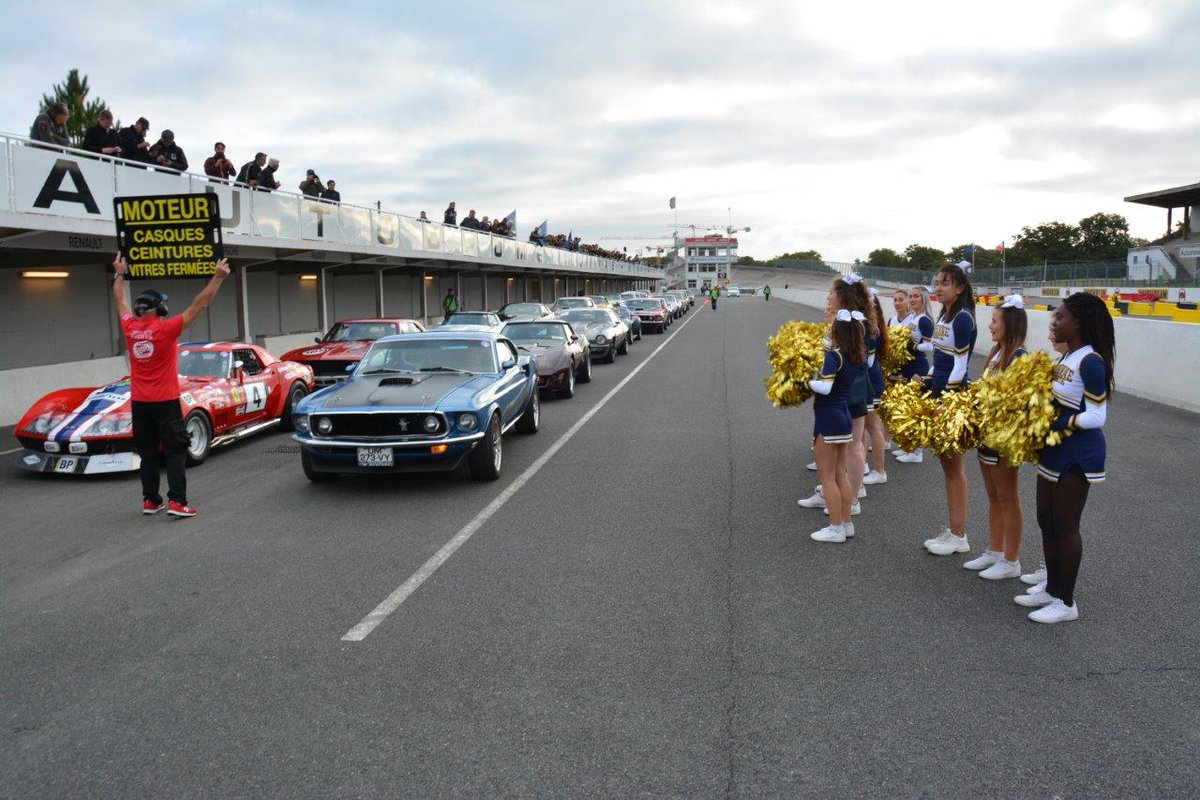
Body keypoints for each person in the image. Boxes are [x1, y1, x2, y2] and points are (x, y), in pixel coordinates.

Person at [1016, 293, 1115, 623]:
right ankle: (1052, 587)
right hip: (1055, 446)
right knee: (1046, 519)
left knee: (1065, 525)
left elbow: (1097, 416)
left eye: (1061, 317)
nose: (1054, 321)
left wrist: (1061, 422)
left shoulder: (1091, 361)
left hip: (1079, 452)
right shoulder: (1068, 356)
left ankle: (1066, 602)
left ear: (1079, 323)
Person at [111, 252, 231, 517]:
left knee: (148, 452)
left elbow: (119, 300)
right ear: (158, 308)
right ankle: (177, 501)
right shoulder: (165, 330)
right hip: (165, 402)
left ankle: (151, 501)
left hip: (139, 403)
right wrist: (217, 278)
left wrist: (119, 273)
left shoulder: (130, 327)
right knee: (176, 450)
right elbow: (199, 305)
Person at [963, 295, 1028, 579]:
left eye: (994, 321)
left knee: (1008, 497)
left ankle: (1011, 560)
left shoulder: (1019, 357)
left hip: (1004, 439)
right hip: (987, 434)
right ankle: (994, 550)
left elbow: (1019, 402)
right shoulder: (996, 353)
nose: (990, 326)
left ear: (1009, 324)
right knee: (993, 496)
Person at [922, 264, 978, 556]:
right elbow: (940, 358)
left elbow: (960, 364)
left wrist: (947, 398)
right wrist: (927, 382)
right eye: (936, 282)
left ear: (959, 288)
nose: (938, 288)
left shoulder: (963, 318)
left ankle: (959, 535)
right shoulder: (945, 314)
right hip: (939, 391)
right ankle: (955, 530)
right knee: (947, 467)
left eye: (944, 283)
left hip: (951, 396)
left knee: (954, 468)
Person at [804, 308, 866, 543]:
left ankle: (835, 527)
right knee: (841, 474)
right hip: (843, 415)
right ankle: (846, 524)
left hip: (828, 417)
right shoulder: (853, 356)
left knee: (827, 477)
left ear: (838, 332)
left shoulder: (834, 356)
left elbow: (825, 387)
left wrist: (805, 382)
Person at [894, 285, 935, 463]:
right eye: (910, 296)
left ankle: (917, 452)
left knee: (915, 410)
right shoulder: (914, 317)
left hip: (917, 367)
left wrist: (914, 346)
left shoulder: (924, 319)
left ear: (923, 298)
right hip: (907, 366)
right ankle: (908, 447)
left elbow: (931, 345)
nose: (912, 299)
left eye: (916, 296)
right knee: (906, 408)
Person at [863, 287, 889, 486]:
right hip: (868, 380)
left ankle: (880, 471)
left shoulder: (871, 329)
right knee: (863, 427)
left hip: (871, 382)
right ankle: (862, 465)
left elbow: (868, 362)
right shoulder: (868, 325)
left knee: (873, 427)